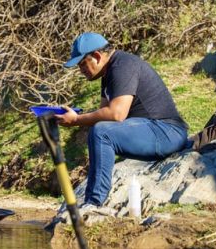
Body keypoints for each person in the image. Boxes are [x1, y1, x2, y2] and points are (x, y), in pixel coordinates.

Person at [57, 32, 189, 208]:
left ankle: (94, 203)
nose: (81, 70)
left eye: (82, 64)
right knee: (101, 129)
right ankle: (91, 199)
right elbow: (104, 112)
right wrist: (75, 115)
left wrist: (75, 120)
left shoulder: (122, 66)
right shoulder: (108, 72)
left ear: (97, 56)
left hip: (167, 132)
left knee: (102, 132)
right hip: (156, 130)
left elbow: (116, 114)